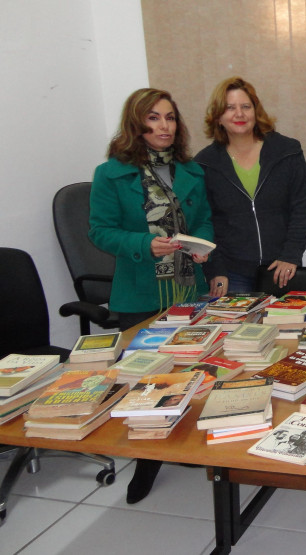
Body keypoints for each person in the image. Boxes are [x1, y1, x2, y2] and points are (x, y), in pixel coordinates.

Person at [89, 88, 213, 505]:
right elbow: (100, 231)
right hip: (140, 292)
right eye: (154, 119)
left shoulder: (191, 171)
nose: (164, 127)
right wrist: (144, 243)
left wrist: (203, 251)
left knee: (189, 375)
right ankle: (146, 463)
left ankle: (183, 444)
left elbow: (206, 222)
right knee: (147, 384)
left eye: (171, 118)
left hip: (187, 289)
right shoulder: (112, 173)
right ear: (137, 124)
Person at [195, 77, 306, 295]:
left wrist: (291, 255)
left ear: (256, 112)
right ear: (218, 117)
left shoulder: (287, 151)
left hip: (281, 268)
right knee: (237, 330)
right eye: (230, 108)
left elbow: (301, 209)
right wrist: (215, 270)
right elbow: (207, 222)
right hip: (232, 273)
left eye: (245, 107)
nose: (239, 114)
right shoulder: (204, 163)